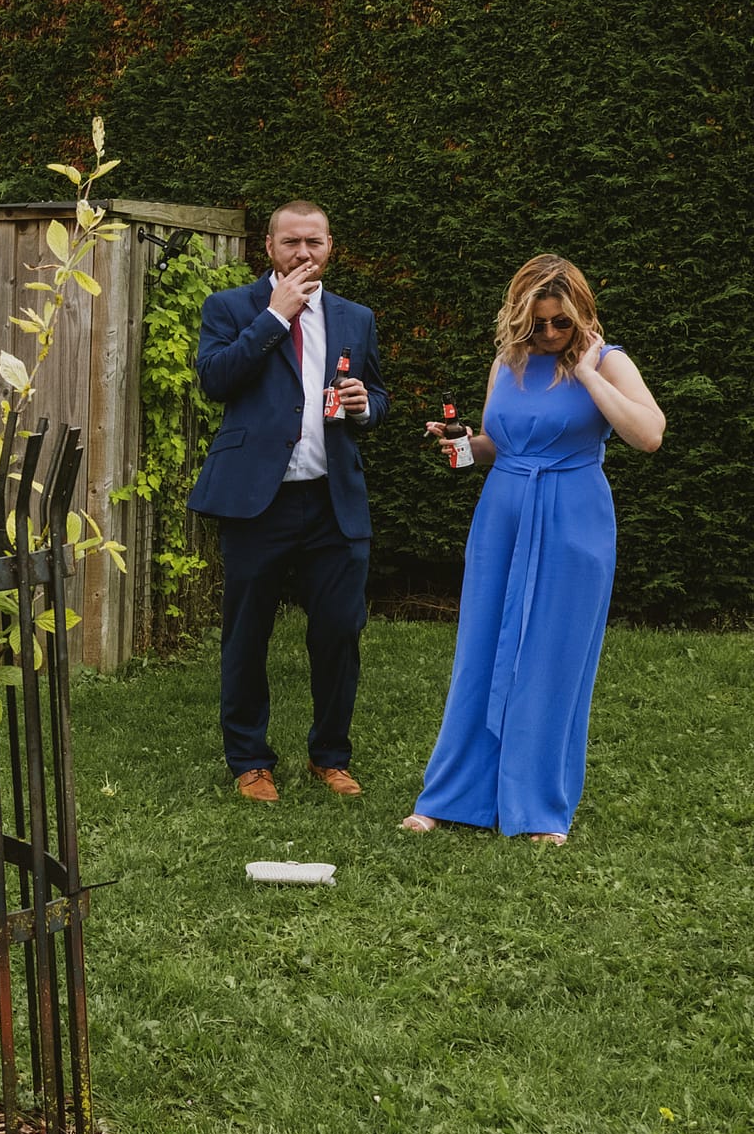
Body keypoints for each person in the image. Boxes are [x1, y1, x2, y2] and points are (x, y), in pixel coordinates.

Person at [402, 255, 662, 845]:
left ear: (581, 315)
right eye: (537, 322)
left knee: (552, 658)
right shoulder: (507, 361)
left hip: (574, 519)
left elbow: (649, 435)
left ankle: (538, 807)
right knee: (480, 650)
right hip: (502, 515)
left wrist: (588, 373)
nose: (547, 333)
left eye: (560, 323)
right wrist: (464, 444)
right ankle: (452, 796)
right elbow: (501, 443)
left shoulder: (609, 361)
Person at [187, 201, 389, 802]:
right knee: (246, 634)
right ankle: (250, 760)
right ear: (270, 247)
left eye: (315, 242)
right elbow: (215, 379)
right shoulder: (230, 307)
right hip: (258, 501)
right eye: (292, 242)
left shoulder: (356, 317)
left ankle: (330, 756)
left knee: (339, 632)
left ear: (330, 247)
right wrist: (275, 316)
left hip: (333, 500)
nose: (304, 253)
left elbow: (379, 396)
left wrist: (365, 406)